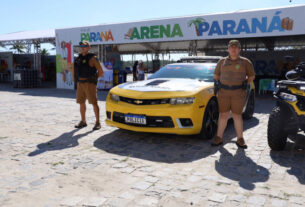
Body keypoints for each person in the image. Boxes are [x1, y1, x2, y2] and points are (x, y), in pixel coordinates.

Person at [212, 40, 255, 149]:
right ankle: (219, 137)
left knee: (237, 115)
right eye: (231, 47)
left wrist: (244, 84)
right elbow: (216, 75)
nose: (233, 49)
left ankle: (240, 139)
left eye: (236, 47)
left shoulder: (246, 62)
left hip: (238, 93)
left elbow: (251, 76)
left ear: (239, 49)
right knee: (223, 115)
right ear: (228, 49)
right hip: (223, 93)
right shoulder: (221, 62)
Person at [74, 41, 104, 130]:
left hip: (89, 84)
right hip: (80, 83)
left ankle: (98, 122)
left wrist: (93, 79)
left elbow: (101, 71)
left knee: (94, 103)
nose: (82, 47)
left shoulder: (93, 58)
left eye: (85, 46)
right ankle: (83, 121)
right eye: (81, 46)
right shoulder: (78, 58)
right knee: (81, 103)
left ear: (89, 47)